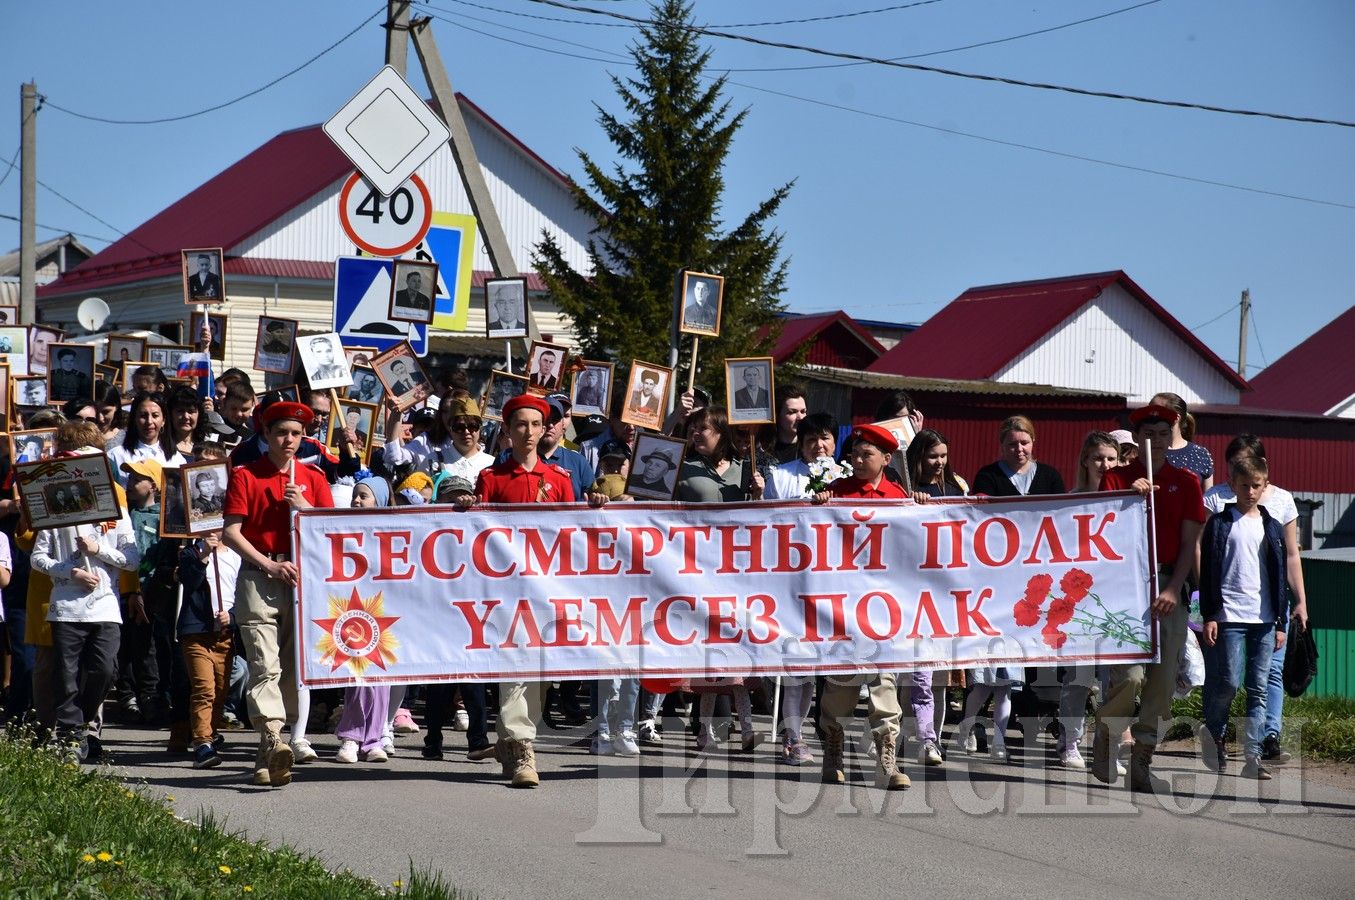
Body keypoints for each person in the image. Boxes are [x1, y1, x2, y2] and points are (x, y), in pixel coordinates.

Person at [458, 394, 604, 788]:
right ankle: (523, 749)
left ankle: (509, 742)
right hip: (505, 593)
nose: (527, 431)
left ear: (544, 430)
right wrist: (468, 507)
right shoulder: (492, 478)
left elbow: (574, 539)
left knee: (537, 673)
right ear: (507, 430)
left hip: (545, 592)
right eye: (519, 424)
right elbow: (478, 537)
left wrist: (595, 508)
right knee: (514, 669)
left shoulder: (559, 480)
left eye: (534, 425)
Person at [1093, 403, 1206, 793]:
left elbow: (1191, 542)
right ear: (1135, 438)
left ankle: (1143, 756)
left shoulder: (1187, 481)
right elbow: (1100, 531)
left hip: (1169, 584)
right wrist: (1127, 496)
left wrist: (1176, 587)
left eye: (1163, 434)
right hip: (1126, 587)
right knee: (1129, 675)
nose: (1155, 442)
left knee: (1162, 679)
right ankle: (1108, 735)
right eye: (1148, 435)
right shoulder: (1116, 479)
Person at [222, 401, 334, 787]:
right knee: (262, 663)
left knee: (291, 666)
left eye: (296, 434)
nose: (289, 440)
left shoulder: (314, 478)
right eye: (281, 432)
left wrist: (304, 508)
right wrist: (268, 565)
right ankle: (272, 736)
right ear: (266, 435)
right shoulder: (245, 475)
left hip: (301, 580)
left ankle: (268, 751)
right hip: (259, 576)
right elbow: (231, 533)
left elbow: (330, 535)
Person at [32, 422, 141, 762]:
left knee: (104, 669)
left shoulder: (116, 507)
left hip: (105, 607)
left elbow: (132, 560)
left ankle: (78, 722)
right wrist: (69, 571)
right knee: (65, 675)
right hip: (66, 608)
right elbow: (38, 557)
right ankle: (68, 735)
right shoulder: (56, 510)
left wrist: (98, 550)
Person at [810, 423, 911, 790]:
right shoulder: (837, 492)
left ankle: (887, 761)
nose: (857, 460)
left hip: (884, 609)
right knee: (841, 683)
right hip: (844, 607)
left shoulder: (898, 496)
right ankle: (833, 750)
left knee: (885, 681)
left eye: (866, 454)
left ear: (886, 459)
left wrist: (922, 511)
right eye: (854, 454)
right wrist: (818, 505)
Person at [1203, 434, 1309, 764]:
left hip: (1266, 613)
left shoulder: (1275, 517)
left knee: (1262, 683)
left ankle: (1258, 750)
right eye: (1239, 474)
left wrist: (1293, 606)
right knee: (1228, 681)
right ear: (1232, 478)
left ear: (1264, 480)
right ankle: (1216, 732)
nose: (1250, 489)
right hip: (1228, 611)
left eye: (1256, 482)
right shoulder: (1218, 513)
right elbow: (1206, 561)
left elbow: (1288, 559)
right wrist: (1207, 610)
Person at [1049, 431, 1122, 770]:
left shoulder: (1127, 501)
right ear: (1085, 461)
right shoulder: (1072, 499)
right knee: (1078, 677)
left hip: (1117, 602)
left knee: (1115, 680)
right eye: (1098, 458)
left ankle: (1107, 746)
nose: (1104, 464)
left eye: (1111, 458)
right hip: (1079, 604)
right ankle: (1070, 742)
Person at [336, 477, 397, 765]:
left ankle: (373, 739)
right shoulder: (343, 529)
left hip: (386, 610)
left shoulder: (394, 533)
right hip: (355, 611)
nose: (357, 501)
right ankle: (351, 736)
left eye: (364, 496)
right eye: (355, 496)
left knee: (382, 680)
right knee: (358, 677)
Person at [175, 532, 239, 769]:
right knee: (204, 688)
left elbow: (241, 593)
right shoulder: (190, 552)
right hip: (196, 634)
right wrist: (202, 555)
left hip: (224, 635)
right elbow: (189, 582)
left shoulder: (236, 555)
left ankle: (208, 735)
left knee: (221, 690)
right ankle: (202, 743)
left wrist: (231, 616)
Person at [385, 390, 495, 480]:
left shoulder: (489, 460)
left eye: (472, 427)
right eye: (445, 411)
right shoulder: (427, 442)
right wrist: (396, 415)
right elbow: (393, 457)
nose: (450, 416)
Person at [676, 407, 763, 503]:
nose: (695, 433)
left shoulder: (746, 470)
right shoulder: (682, 469)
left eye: (703, 428)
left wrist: (759, 495)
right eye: (695, 427)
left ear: (722, 433)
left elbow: (756, 512)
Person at [972, 415, 1066, 497]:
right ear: (1002, 445)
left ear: (1033, 442)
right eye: (1012, 444)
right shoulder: (987, 476)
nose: (1019, 449)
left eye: (1024, 443)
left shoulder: (1050, 476)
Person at [106, 392, 187, 485]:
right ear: (135, 419)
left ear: (163, 420)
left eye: (155, 415)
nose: (149, 421)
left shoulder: (177, 460)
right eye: (143, 416)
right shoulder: (115, 456)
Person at [1149, 392, 1214, 491]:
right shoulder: (1145, 451)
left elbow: (1207, 500)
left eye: (1156, 413)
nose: (1149, 418)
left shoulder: (1201, 454)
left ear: (1176, 418)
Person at [765, 412, 838, 500]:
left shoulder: (846, 476)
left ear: (834, 444)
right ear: (801, 446)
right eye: (812, 439)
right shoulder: (779, 476)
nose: (819, 444)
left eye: (825, 438)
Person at [906, 428, 968, 502]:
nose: (940, 462)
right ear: (918, 457)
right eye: (933, 456)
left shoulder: (954, 491)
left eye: (943, 456)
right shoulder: (904, 489)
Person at [764, 386, 807, 464]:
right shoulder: (762, 450)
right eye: (792, 412)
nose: (800, 417)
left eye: (803, 411)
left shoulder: (810, 450)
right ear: (776, 415)